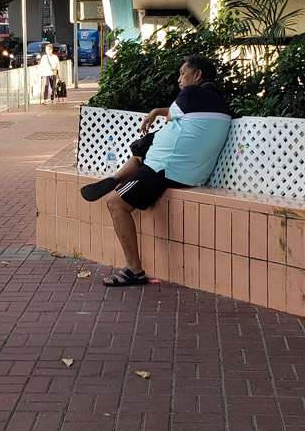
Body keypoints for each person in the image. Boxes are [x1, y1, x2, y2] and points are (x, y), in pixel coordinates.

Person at [80, 55, 234, 286]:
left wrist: (155, 112)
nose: (179, 79)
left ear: (198, 75)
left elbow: (171, 115)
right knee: (144, 147)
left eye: (183, 73)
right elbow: (177, 118)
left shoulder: (191, 94)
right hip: (187, 170)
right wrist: (157, 113)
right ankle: (118, 176)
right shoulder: (219, 101)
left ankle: (134, 271)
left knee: (115, 203)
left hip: (165, 169)